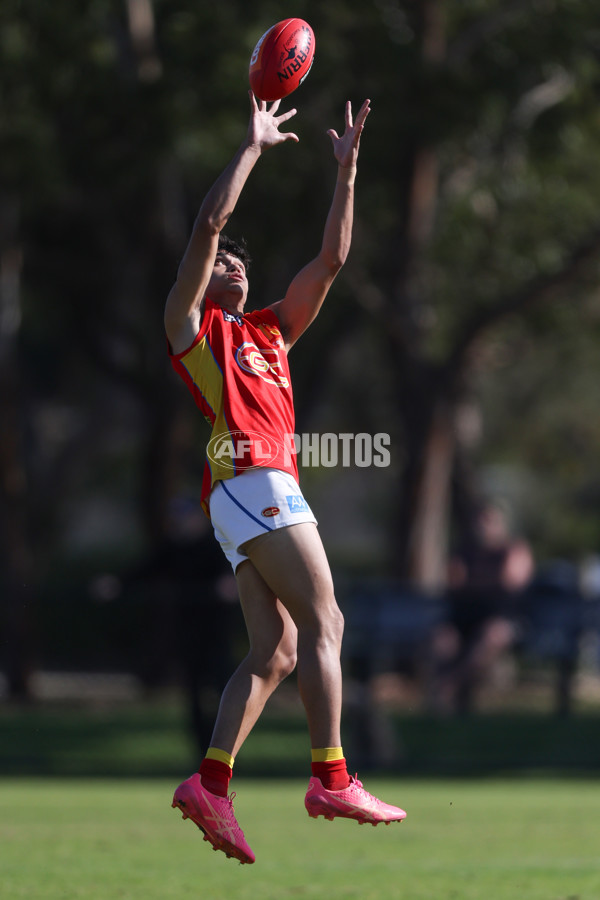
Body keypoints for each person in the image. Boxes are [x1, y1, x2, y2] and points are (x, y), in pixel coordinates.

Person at [164, 91, 406, 865]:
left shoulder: (272, 332)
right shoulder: (194, 329)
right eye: (222, 262)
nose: (231, 261)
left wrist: (348, 170)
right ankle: (332, 776)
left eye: (240, 260)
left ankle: (211, 782)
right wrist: (252, 148)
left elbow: (332, 261)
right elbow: (205, 227)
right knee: (328, 622)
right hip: (254, 480)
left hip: (243, 500)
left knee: (277, 650)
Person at [430, 502, 534, 714]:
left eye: (489, 521)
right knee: (441, 640)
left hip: (503, 618)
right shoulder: (465, 549)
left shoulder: (513, 549)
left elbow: (511, 580)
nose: (483, 526)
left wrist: (475, 580)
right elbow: (453, 581)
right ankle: (446, 697)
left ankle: (448, 687)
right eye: (480, 521)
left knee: (490, 639)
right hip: (464, 616)